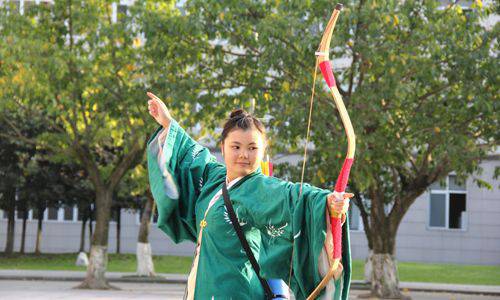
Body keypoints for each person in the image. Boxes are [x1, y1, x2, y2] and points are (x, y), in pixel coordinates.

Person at [146, 92, 352, 299]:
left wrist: (327, 202)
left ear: (262, 151)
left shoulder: (260, 188)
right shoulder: (214, 178)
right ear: (223, 148)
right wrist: (167, 122)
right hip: (202, 287)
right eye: (236, 147)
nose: (244, 154)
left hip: (240, 291)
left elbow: (295, 196)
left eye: (252, 148)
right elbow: (191, 153)